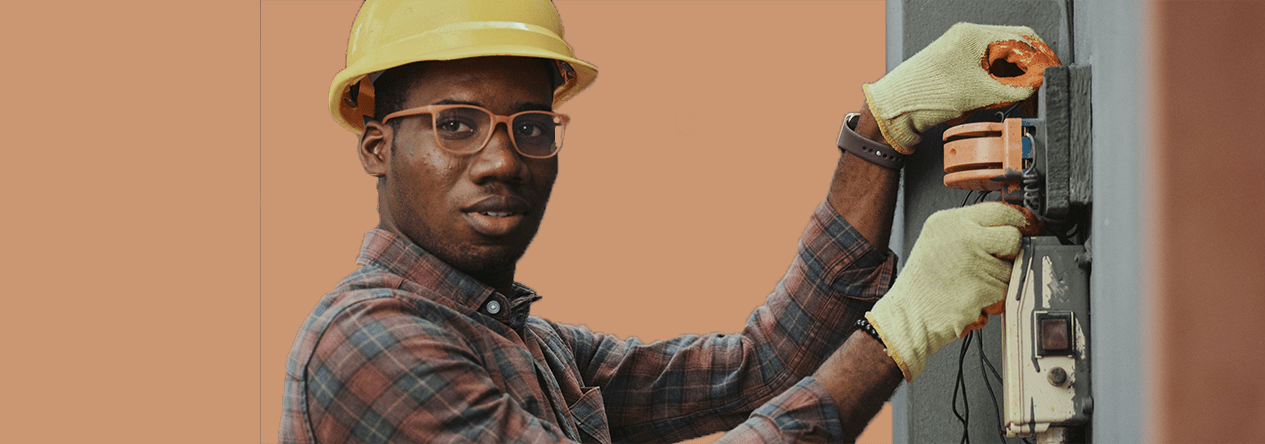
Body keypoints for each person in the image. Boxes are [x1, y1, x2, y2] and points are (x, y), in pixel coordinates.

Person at [279, 1, 1059, 442]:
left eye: (532, 126)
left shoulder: (530, 344)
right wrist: (899, 334)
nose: (501, 160)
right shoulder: (367, 343)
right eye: (455, 124)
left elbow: (757, 370)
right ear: (378, 148)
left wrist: (881, 126)